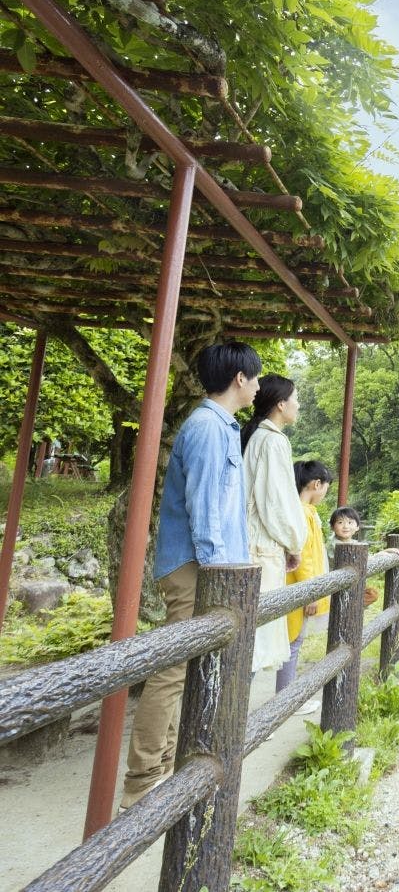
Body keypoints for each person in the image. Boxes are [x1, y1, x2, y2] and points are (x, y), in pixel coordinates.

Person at [120, 341, 261, 811]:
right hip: (195, 568)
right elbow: (204, 506)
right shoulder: (206, 427)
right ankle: (142, 780)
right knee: (172, 668)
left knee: (189, 666)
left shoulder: (221, 426)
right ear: (239, 378)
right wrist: (218, 566)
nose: (259, 386)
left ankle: (169, 765)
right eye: (255, 377)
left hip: (205, 566)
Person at [242, 376, 307, 673]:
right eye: (295, 398)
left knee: (250, 641)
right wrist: (295, 543)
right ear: (281, 404)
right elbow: (277, 504)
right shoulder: (272, 440)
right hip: (261, 551)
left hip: (254, 547)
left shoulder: (259, 437)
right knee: (254, 647)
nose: (298, 404)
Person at [277, 460, 333, 712]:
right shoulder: (303, 512)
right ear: (316, 484)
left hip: (295, 587)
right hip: (298, 589)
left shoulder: (301, 511)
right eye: (326, 489)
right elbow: (304, 556)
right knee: (292, 642)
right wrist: (311, 593)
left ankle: (285, 696)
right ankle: (286, 699)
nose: (324, 494)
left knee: (292, 641)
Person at [328, 506, 378, 606]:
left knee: (373, 594)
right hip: (335, 586)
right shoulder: (333, 545)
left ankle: (355, 605)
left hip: (351, 583)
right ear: (332, 527)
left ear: (357, 527)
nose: (345, 526)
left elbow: (366, 558)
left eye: (350, 522)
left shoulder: (354, 543)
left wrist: (384, 553)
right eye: (340, 522)